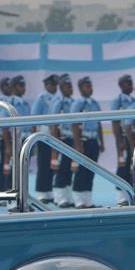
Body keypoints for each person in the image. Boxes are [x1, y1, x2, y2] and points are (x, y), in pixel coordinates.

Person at [69, 76, 102, 208]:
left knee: (90, 171)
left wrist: (101, 142)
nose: (90, 89)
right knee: (81, 171)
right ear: (80, 88)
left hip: (93, 140)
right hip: (83, 141)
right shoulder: (78, 104)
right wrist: (77, 145)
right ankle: (79, 200)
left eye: (91, 86)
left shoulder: (94, 103)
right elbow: (74, 124)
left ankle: (87, 200)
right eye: (87, 86)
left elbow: (99, 123)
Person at [30, 74, 60, 202]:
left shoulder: (58, 98)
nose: (54, 87)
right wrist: (34, 138)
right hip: (44, 133)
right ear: (46, 85)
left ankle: (49, 191)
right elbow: (33, 118)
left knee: (51, 164)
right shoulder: (41, 99)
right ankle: (42, 192)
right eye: (52, 84)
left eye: (55, 85)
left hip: (55, 133)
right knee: (43, 163)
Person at [50, 73, 76, 206]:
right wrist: (55, 150)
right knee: (61, 169)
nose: (70, 88)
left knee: (68, 170)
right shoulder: (58, 103)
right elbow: (54, 126)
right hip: (62, 139)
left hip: (72, 139)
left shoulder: (73, 103)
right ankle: (59, 197)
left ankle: (67, 195)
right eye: (67, 86)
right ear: (61, 88)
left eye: (71, 86)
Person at [110, 74, 135, 182]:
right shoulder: (118, 100)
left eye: (131, 83)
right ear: (121, 85)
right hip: (124, 136)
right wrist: (119, 140)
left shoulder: (134, 100)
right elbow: (115, 122)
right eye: (128, 83)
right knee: (123, 164)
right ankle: (121, 194)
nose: (131, 85)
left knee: (133, 163)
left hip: (134, 135)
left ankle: (133, 190)